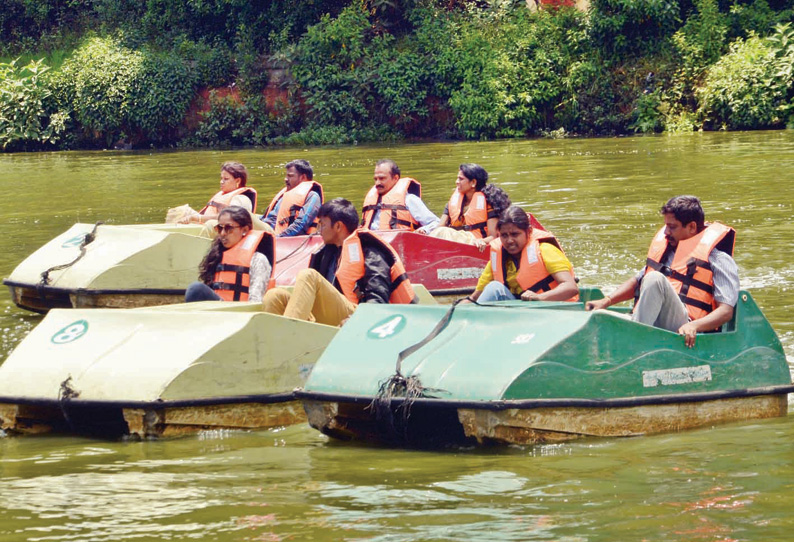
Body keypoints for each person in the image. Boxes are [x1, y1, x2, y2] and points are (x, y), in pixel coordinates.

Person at [585, 195, 738, 348]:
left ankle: (634, 341)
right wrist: (606, 301)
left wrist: (694, 326)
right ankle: (634, 333)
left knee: (655, 279)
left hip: (684, 327)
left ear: (691, 227)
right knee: (599, 316)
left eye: (672, 227)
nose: (666, 232)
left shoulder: (718, 259)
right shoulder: (665, 251)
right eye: (666, 226)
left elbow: (725, 311)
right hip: (647, 321)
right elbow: (638, 281)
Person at [263, 198, 418, 326]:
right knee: (275, 296)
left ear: (338, 226)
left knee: (308, 276)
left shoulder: (370, 250)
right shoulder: (327, 252)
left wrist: (356, 320)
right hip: (333, 317)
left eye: (322, 224)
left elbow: (378, 298)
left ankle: (288, 333)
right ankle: (273, 346)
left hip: (358, 317)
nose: (319, 230)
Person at [465, 205, 579, 304]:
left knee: (495, 289)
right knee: (493, 287)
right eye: (504, 235)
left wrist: (540, 297)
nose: (509, 240)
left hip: (553, 308)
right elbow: (476, 295)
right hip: (523, 310)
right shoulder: (499, 255)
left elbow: (571, 287)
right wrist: (468, 302)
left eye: (515, 234)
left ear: (528, 232)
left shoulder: (545, 250)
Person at [185, 206, 275, 302]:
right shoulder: (217, 255)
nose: (223, 233)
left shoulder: (258, 260)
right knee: (196, 289)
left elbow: (256, 300)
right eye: (220, 228)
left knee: (196, 289)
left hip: (241, 312)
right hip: (219, 310)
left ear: (244, 230)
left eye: (229, 228)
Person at [430, 163, 511, 249]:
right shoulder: (452, 203)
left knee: (443, 232)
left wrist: (482, 241)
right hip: (453, 241)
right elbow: (439, 228)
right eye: (457, 178)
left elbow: (493, 236)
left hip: (475, 243)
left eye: (461, 179)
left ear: (473, 183)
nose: (456, 182)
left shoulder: (488, 203)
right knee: (441, 231)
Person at [360, 159, 439, 233]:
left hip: (398, 243)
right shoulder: (371, 201)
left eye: (382, 178)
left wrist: (424, 230)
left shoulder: (409, 200)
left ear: (395, 178)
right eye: (375, 179)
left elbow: (435, 222)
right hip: (371, 242)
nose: (377, 183)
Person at [178, 162, 258, 224]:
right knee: (180, 211)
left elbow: (230, 219)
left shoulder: (241, 198)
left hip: (217, 229)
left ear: (238, 181)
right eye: (221, 178)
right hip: (204, 223)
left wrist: (196, 218)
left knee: (210, 223)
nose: (221, 182)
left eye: (226, 179)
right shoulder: (223, 194)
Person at [261, 159, 324, 237]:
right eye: (286, 176)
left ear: (303, 177)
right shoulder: (285, 196)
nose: (285, 179)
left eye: (290, 176)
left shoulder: (313, 196)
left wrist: (278, 238)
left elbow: (301, 224)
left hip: (288, 240)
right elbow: (270, 219)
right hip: (270, 233)